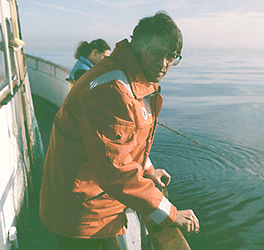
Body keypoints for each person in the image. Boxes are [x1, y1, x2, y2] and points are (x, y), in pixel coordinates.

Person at [40, 11, 199, 250]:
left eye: (172, 57)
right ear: (136, 45)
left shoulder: (130, 75)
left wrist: (148, 169)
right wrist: (170, 213)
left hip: (94, 204)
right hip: (82, 212)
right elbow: (116, 170)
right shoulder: (114, 89)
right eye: (156, 53)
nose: (164, 64)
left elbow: (125, 142)